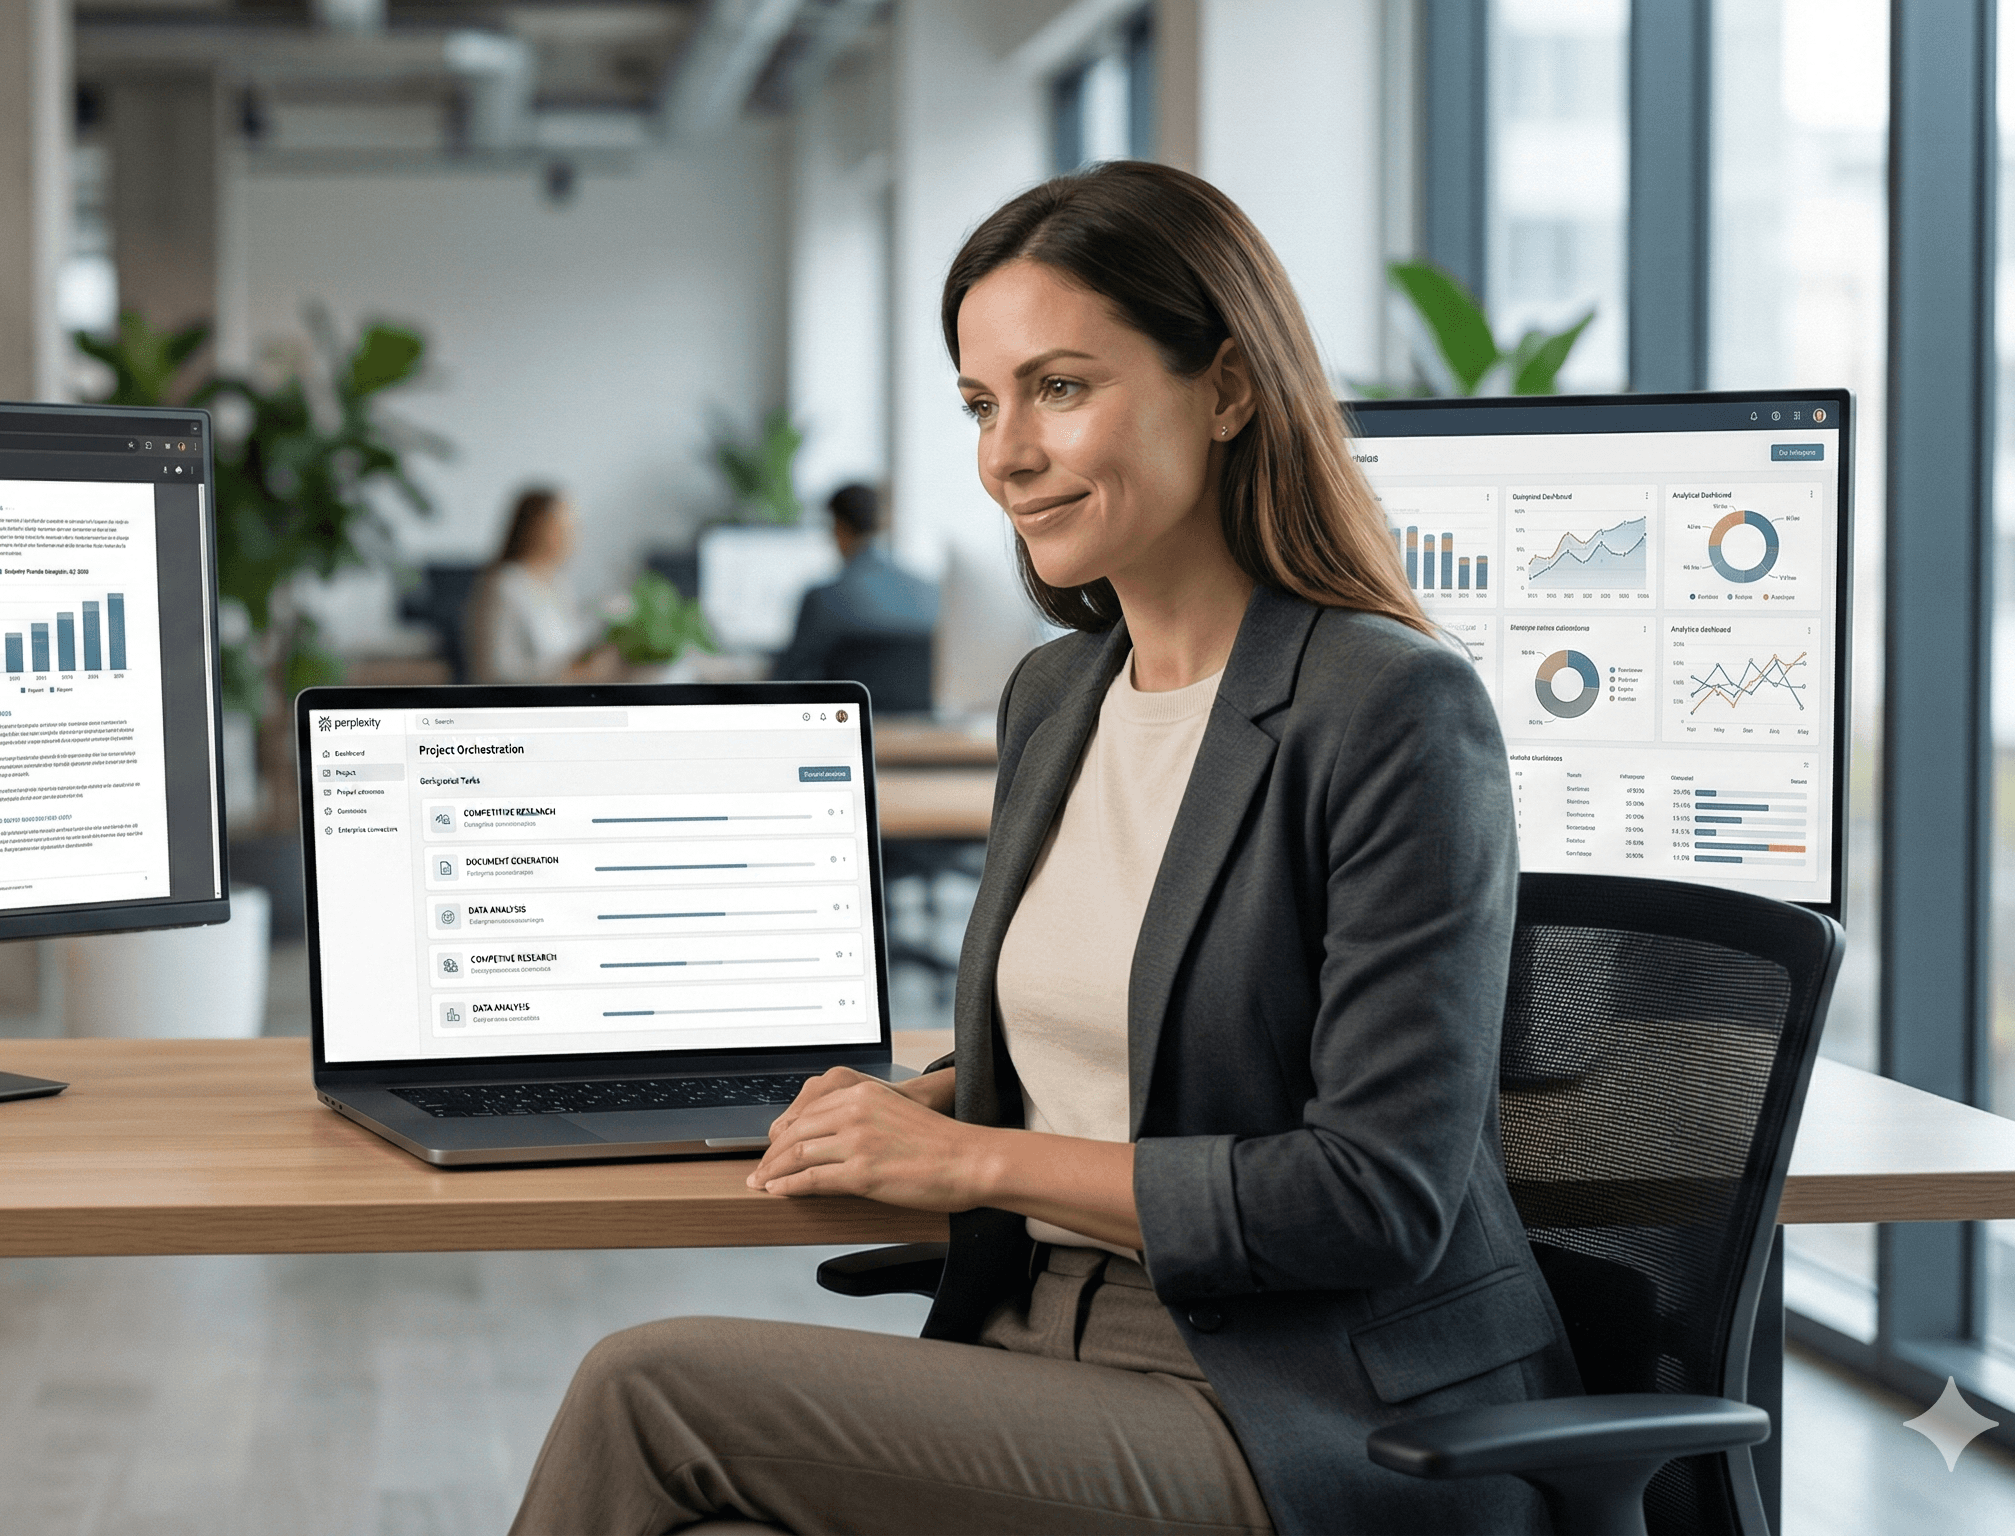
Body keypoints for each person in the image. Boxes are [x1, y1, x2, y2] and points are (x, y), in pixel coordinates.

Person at [511, 162, 1577, 1535]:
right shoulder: (1058, 695)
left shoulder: (1389, 708)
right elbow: (1148, 1040)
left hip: (1300, 1405)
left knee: (646, 1393)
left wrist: (968, 1162)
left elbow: (1373, 1196)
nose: (1004, 454)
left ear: (1228, 389)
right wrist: (926, 1099)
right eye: (979, 403)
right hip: (1038, 1340)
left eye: (1059, 388)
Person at [772, 483, 941, 683]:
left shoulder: (822, 600)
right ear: (881, 523)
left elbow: (788, 677)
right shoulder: (933, 593)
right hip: (918, 703)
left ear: (838, 527)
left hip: (847, 704)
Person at [465, 488, 609, 684]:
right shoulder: (504, 586)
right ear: (538, 529)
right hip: (523, 700)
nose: (574, 537)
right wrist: (570, 675)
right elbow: (497, 671)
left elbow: (570, 650)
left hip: (566, 696)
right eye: (564, 528)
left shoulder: (559, 585)